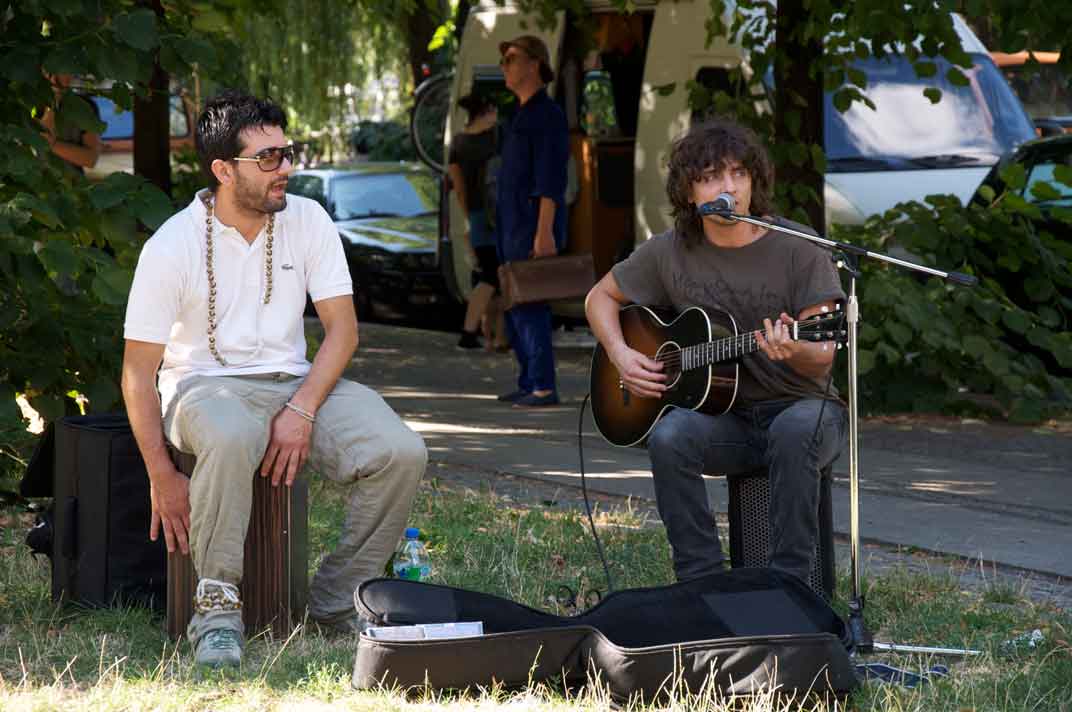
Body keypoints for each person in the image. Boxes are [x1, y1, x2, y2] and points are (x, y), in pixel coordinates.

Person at [120, 90, 427, 668]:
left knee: (400, 451)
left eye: (286, 153)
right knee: (234, 433)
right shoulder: (171, 245)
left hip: (295, 382)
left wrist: (304, 407)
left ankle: (337, 603)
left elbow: (343, 332)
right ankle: (215, 611)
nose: (284, 168)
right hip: (201, 387)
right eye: (267, 159)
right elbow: (138, 372)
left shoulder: (308, 219)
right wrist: (161, 473)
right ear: (222, 170)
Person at [584, 118, 847, 584]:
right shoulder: (668, 252)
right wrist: (622, 354)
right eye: (710, 177)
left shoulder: (799, 248)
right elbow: (599, 298)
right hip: (725, 420)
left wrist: (792, 349)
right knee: (670, 437)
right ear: (689, 192)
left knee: (796, 431)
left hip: (802, 408)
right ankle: (700, 584)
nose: (728, 187)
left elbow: (822, 353)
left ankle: (789, 587)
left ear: (754, 181)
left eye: (738, 174)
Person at [495, 35, 570, 407]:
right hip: (510, 223)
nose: (504, 66)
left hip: (530, 225)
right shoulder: (519, 114)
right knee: (514, 302)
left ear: (535, 64)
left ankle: (543, 385)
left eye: (511, 58)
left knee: (531, 304)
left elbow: (550, 181)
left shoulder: (548, 116)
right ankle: (528, 379)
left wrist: (544, 232)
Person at [448, 92, 507, 351]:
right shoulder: (496, 139)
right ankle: (469, 333)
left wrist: (469, 214)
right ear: (487, 111)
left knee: (494, 275)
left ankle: (495, 338)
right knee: (492, 275)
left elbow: (458, 187)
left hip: (475, 215)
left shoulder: (457, 144)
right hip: (498, 215)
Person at [39, 73, 101, 174]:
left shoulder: (84, 106)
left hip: (72, 184)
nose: (55, 77)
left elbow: (91, 159)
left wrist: (52, 145)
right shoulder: (28, 102)